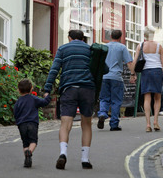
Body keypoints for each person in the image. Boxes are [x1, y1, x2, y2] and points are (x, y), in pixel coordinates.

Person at [44, 30, 95, 170]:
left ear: (69, 38)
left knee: (65, 124)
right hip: (87, 89)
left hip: (68, 89)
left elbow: (54, 69)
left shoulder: (63, 49)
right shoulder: (90, 50)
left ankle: (63, 153)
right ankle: (85, 159)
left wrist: (47, 88)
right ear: (83, 38)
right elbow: (103, 68)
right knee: (86, 124)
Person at [97, 29, 135, 131]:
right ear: (120, 37)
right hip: (116, 77)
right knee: (116, 101)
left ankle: (102, 113)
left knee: (104, 98)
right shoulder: (122, 47)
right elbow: (129, 63)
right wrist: (132, 74)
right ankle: (114, 124)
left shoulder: (104, 47)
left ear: (110, 36)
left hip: (104, 77)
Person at [132, 25, 163, 132]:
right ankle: (156, 121)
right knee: (158, 97)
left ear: (144, 35)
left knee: (147, 98)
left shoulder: (140, 46)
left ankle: (148, 124)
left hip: (146, 72)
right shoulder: (159, 46)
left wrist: (132, 73)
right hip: (157, 72)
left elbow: (135, 61)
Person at [14, 78, 51, 167]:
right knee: (33, 141)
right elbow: (45, 102)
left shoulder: (18, 102)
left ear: (19, 90)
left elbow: (15, 113)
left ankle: (27, 157)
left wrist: (18, 122)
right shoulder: (34, 99)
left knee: (25, 142)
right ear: (31, 89)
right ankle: (29, 152)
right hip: (32, 123)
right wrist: (47, 96)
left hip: (22, 124)